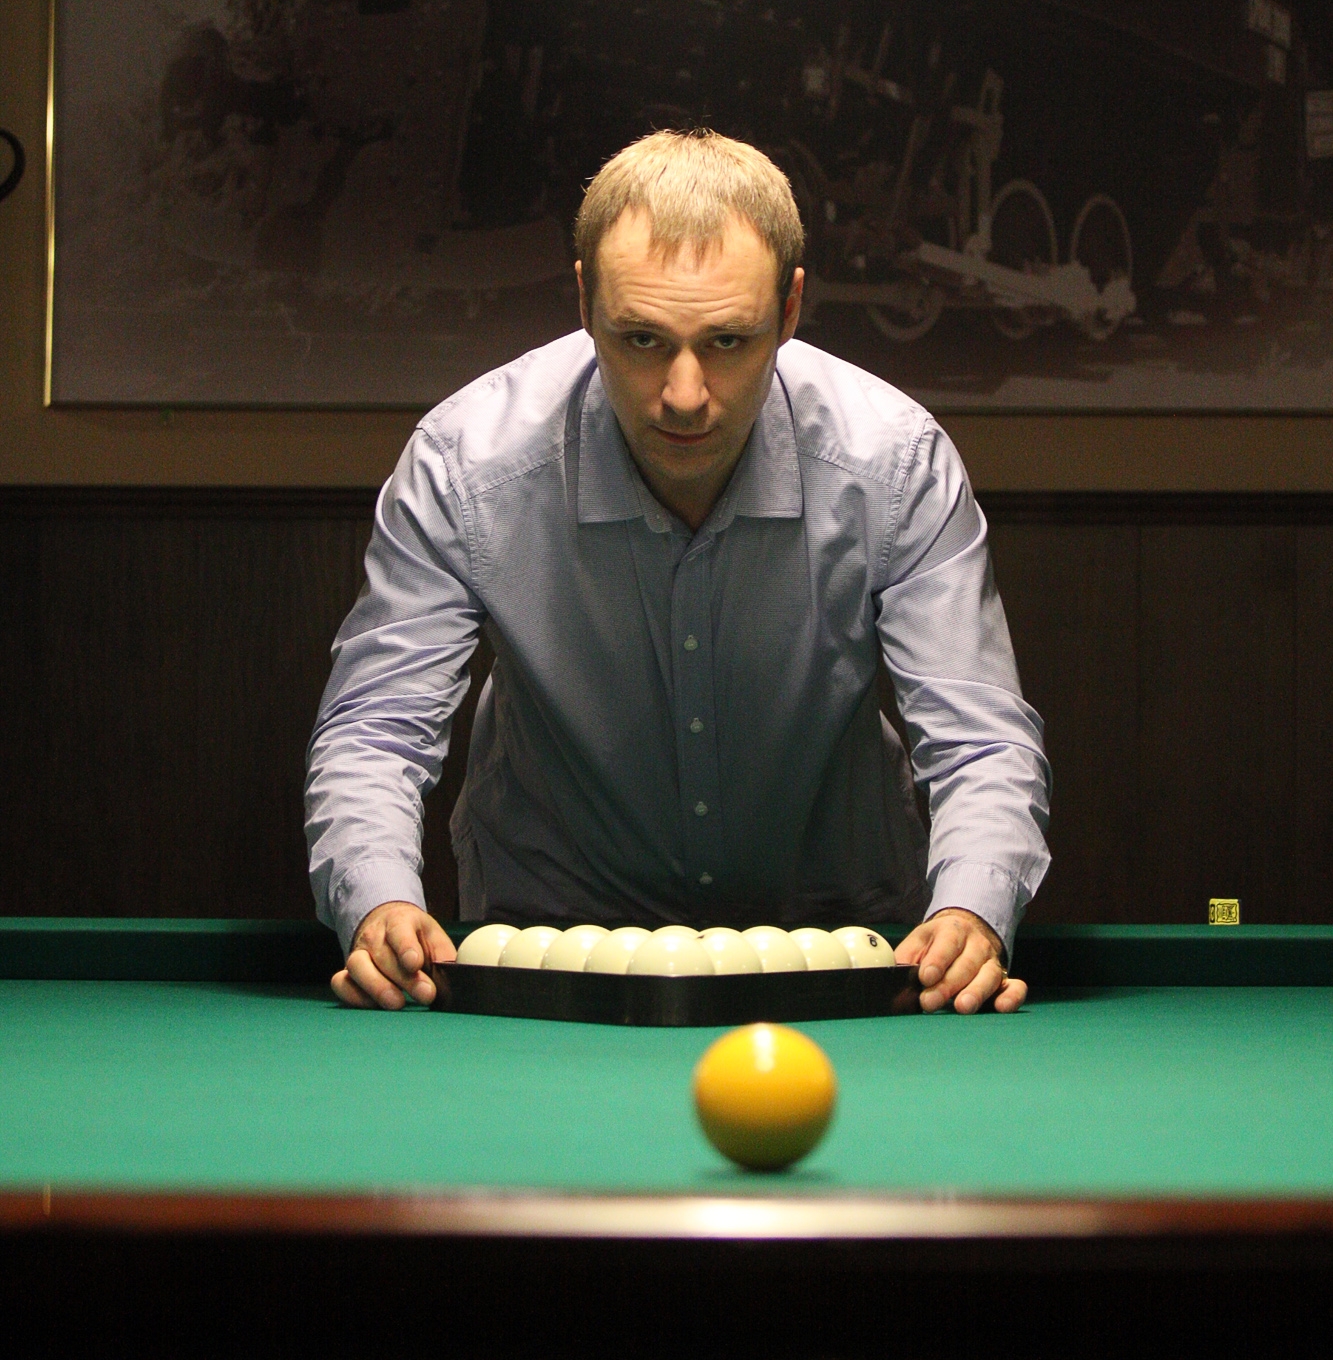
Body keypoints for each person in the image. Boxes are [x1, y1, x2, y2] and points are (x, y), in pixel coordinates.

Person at [306, 131, 1050, 1015]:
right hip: (548, 947)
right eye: (642, 338)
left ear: (790, 309)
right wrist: (377, 901)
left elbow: (978, 739)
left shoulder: (894, 465)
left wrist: (970, 909)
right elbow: (378, 727)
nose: (685, 395)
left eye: (728, 340)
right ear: (584, 302)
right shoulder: (464, 466)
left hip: (838, 945)